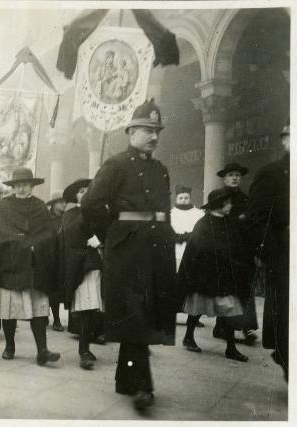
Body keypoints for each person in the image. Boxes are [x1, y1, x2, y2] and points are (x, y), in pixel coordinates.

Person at [81, 99, 180, 411]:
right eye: (148, 130)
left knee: (146, 312)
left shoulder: (161, 170)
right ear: (131, 131)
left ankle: (125, 379)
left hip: (157, 250)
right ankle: (142, 387)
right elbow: (90, 205)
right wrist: (115, 233)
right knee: (136, 313)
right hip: (128, 252)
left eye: (157, 131)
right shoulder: (116, 165)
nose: (154, 137)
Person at [0, 167, 60, 366]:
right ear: (13, 187)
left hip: (34, 264)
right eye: (18, 185)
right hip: (11, 264)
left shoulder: (40, 207)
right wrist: (21, 242)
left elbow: (49, 233)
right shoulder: (4, 207)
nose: (21, 188)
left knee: (38, 309)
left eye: (25, 185)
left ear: (32, 186)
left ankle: (42, 350)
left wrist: (36, 244)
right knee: (10, 308)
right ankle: (10, 346)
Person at [179, 188, 254, 362]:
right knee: (197, 309)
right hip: (205, 278)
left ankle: (230, 347)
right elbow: (197, 249)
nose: (230, 205)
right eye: (227, 203)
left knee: (229, 310)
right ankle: (188, 336)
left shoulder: (230, 223)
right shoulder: (203, 224)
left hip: (226, 277)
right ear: (218, 205)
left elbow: (238, 244)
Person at [245, 121, 290, 381]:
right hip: (285, 255)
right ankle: (287, 359)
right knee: (286, 314)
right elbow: (256, 218)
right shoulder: (272, 173)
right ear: (285, 141)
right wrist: (272, 253)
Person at [61, 178, 104, 370]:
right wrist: (88, 238)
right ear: (76, 196)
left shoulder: (101, 213)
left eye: (88, 190)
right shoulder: (72, 214)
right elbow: (70, 235)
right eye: (81, 191)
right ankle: (83, 350)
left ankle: (89, 344)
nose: (85, 193)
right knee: (87, 308)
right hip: (84, 265)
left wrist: (101, 239)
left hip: (101, 265)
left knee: (96, 308)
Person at [214, 163, 258, 343]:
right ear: (224, 179)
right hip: (225, 249)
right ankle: (222, 326)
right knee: (226, 288)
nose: (234, 178)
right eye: (231, 175)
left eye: (237, 175)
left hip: (243, 249)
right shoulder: (218, 198)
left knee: (245, 287)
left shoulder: (246, 199)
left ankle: (246, 327)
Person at [170, 185, 205, 327]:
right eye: (181, 198)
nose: (184, 200)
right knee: (175, 284)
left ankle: (193, 316)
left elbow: (201, 231)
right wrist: (177, 237)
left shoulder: (199, 213)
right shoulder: (170, 213)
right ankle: (172, 314)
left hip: (193, 253)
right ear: (176, 198)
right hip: (176, 252)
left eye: (186, 198)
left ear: (190, 198)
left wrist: (189, 237)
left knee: (192, 286)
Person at [46, 191, 66, 332]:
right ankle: (56, 319)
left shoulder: (66, 218)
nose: (63, 204)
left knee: (60, 289)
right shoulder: (48, 220)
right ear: (53, 205)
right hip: (50, 257)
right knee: (51, 290)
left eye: (64, 202)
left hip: (63, 256)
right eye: (60, 202)